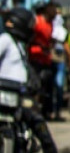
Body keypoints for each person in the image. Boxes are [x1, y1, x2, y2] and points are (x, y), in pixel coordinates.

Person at [0, 8, 58, 152]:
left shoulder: (19, 45)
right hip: (6, 94)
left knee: (38, 122)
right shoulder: (6, 40)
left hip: (20, 94)